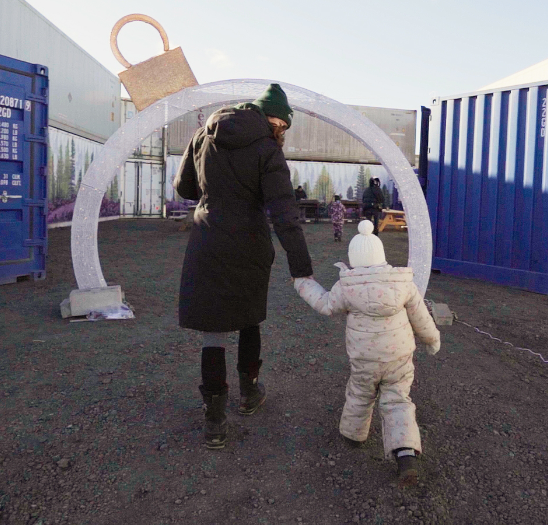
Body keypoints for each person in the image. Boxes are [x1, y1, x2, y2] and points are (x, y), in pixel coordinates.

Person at [174, 83, 314, 450]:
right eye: (282, 125)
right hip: (248, 244)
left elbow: (184, 187)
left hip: (207, 239)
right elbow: (283, 213)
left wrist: (214, 192)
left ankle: (214, 420)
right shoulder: (268, 149)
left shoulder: (205, 133)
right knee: (249, 317)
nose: (281, 132)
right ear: (274, 119)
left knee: (213, 331)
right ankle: (249, 394)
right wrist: (301, 267)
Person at [293, 220, 441, 486]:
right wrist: (432, 340)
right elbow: (421, 318)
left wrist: (302, 283)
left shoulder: (347, 287)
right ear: (381, 255)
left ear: (353, 260)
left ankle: (353, 435)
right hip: (398, 357)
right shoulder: (403, 282)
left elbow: (325, 304)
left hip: (364, 359)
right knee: (397, 400)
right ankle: (405, 453)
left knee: (360, 393)